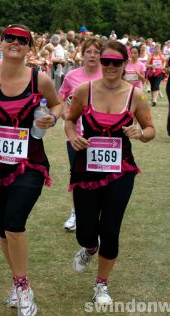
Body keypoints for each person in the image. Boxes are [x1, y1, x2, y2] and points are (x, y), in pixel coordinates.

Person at [0, 24, 63, 316]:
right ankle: (18, 282)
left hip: (29, 164)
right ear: (2, 43)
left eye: (22, 40)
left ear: (29, 47)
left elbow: (57, 106)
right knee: (7, 232)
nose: (15, 43)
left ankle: (22, 288)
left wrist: (50, 118)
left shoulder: (39, 78)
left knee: (14, 224)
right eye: (10, 38)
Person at [65, 40, 155, 305]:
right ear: (101, 62)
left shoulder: (135, 95)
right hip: (86, 169)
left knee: (111, 228)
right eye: (106, 61)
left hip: (120, 172)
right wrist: (73, 137)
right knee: (85, 229)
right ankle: (89, 247)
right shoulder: (84, 90)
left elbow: (151, 130)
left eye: (116, 62)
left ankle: (101, 284)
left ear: (125, 64)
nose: (111, 67)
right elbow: (70, 120)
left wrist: (140, 133)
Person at [59, 38, 103, 232]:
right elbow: (60, 98)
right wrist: (64, 114)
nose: (92, 55)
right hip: (75, 135)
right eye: (89, 52)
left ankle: (97, 213)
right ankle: (77, 212)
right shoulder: (71, 76)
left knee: (99, 174)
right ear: (82, 54)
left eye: (96, 52)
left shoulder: (107, 76)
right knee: (77, 173)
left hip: (102, 137)